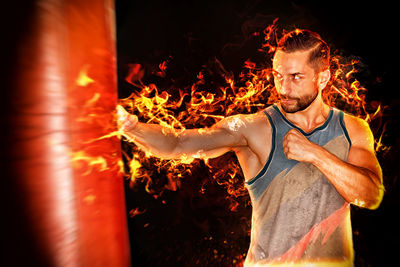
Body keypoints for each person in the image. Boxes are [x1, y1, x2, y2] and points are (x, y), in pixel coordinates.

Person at [116, 29, 383, 266]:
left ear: (323, 78)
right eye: (278, 76)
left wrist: (316, 154)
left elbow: (370, 196)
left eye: (296, 77)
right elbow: (177, 144)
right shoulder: (252, 128)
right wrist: (131, 127)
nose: (284, 88)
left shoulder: (353, 128)